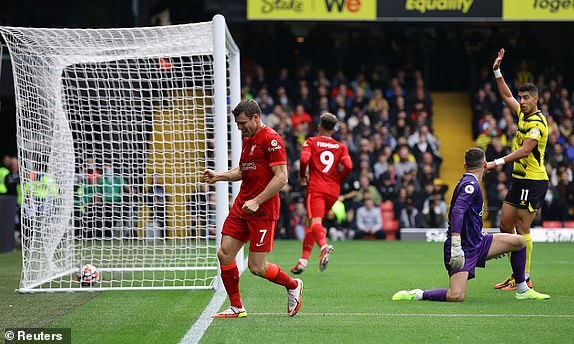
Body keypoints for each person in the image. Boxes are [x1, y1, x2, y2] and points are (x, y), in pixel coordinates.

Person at [392, 148, 549, 302]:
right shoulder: (471, 185)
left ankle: (522, 289)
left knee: (519, 242)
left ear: (465, 166)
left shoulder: (471, 183)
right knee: (456, 296)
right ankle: (418, 294)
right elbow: (457, 211)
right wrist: (456, 244)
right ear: (485, 164)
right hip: (463, 247)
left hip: (478, 242)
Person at [203, 99, 303, 318]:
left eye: (242, 123)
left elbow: (282, 178)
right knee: (225, 253)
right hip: (242, 206)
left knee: (257, 267)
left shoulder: (272, 140)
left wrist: (257, 201)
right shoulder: (249, 140)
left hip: (263, 211)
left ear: (256, 118)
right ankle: (237, 307)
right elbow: (244, 170)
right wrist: (219, 176)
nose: (239, 128)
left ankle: (293, 285)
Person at [486, 48, 549, 290]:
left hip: (533, 181)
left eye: (526, 98)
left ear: (536, 99)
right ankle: (515, 275)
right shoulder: (522, 114)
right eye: (520, 98)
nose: (521, 102)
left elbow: (525, 150)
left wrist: (496, 162)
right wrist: (497, 71)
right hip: (519, 180)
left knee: (522, 228)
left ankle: (525, 277)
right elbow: (505, 95)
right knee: (505, 226)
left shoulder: (538, 123)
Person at [291, 112, 353, 274]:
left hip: (317, 187)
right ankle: (303, 260)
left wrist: (303, 177)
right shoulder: (341, 146)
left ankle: (324, 247)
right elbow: (348, 166)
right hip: (333, 190)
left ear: (319, 127)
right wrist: (338, 179)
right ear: (334, 131)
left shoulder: (311, 142)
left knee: (315, 222)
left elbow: (304, 160)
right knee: (311, 223)